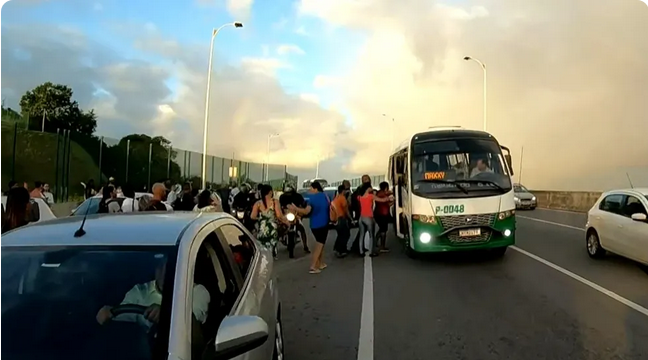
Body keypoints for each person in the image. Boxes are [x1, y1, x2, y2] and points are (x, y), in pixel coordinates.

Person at [96, 258, 210, 326]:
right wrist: (108, 315)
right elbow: (121, 320)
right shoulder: (140, 291)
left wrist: (166, 314)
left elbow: (192, 327)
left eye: (169, 268)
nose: (163, 273)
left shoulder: (197, 292)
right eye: (159, 267)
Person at [288, 181, 330, 274]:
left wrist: (295, 209)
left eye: (311, 188)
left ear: (315, 188)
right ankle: (313, 266)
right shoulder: (325, 196)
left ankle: (320, 263)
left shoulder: (312, 199)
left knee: (320, 244)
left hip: (315, 224)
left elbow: (306, 211)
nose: (309, 190)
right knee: (320, 245)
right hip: (324, 223)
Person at [251, 184, 289, 260]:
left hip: (262, 228)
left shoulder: (258, 203)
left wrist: (261, 219)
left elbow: (252, 216)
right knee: (272, 241)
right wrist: (286, 221)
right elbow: (279, 216)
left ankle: (263, 256)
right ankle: (272, 255)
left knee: (262, 242)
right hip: (272, 227)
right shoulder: (275, 202)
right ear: (270, 192)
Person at [357, 183, 392, 257]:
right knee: (371, 235)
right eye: (370, 187)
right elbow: (382, 200)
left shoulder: (359, 197)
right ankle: (371, 252)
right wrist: (389, 198)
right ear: (368, 188)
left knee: (361, 235)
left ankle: (361, 252)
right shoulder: (370, 196)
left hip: (361, 218)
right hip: (368, 218)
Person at [278, 184, 310, 256]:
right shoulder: (282, 197)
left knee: (302, 229)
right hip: (286, 215)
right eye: (287, 193)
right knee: (278, 228)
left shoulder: (298, 196)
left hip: (296, 215)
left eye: (289, 192)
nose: (288, 194)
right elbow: (280, 207)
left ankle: (305, 246)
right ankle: (274, 246)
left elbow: (303, 205)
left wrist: (301, 212)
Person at [331, 185, 351, 258]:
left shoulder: (336, 198)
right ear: (343, 191)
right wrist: (351, 219)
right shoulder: (343, 198)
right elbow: (346, 211)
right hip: (341, 218)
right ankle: (341, 250)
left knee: (340, 235)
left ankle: (338, 248)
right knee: (345, 234)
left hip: (336, 219)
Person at [374, 181, 393, 253]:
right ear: (386, 187)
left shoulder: (379, 193)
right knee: (383, 231)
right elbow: (387, 204)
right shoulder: (383, 195)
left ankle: (375, 242)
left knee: (381, 229)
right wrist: (394, 201)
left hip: (377, 214)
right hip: (382, 215)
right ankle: (382, 246)